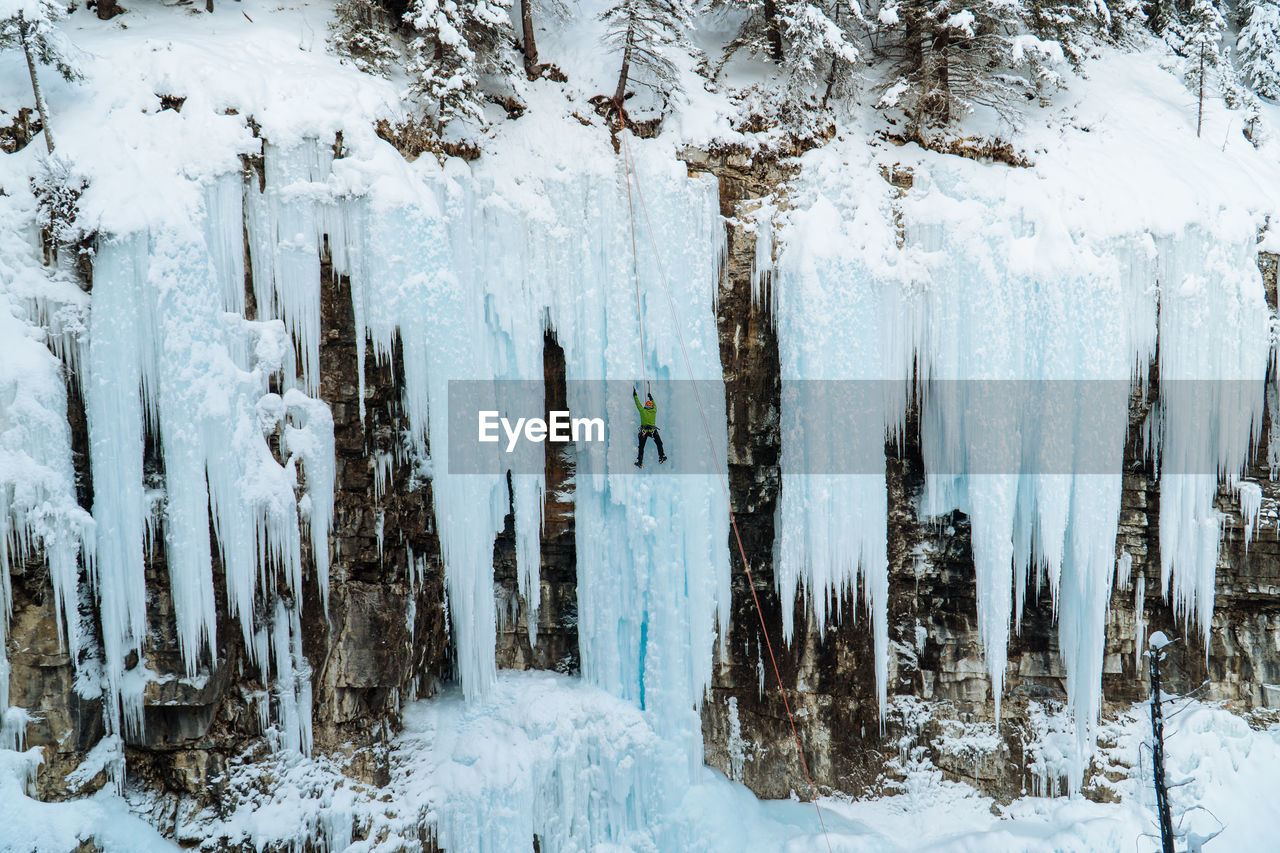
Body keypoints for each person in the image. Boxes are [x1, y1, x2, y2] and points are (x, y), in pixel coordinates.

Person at [633, 385, 667, 467]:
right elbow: (655, 405)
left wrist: (635, 395)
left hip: (644, 432)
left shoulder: (642, 411)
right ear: (651, 407)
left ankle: (640, 462)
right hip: (652, 431)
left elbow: (638, 404)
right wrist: (651, 398)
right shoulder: (654, 411)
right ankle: (661, 456)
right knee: (659, 443)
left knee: (641, 447)